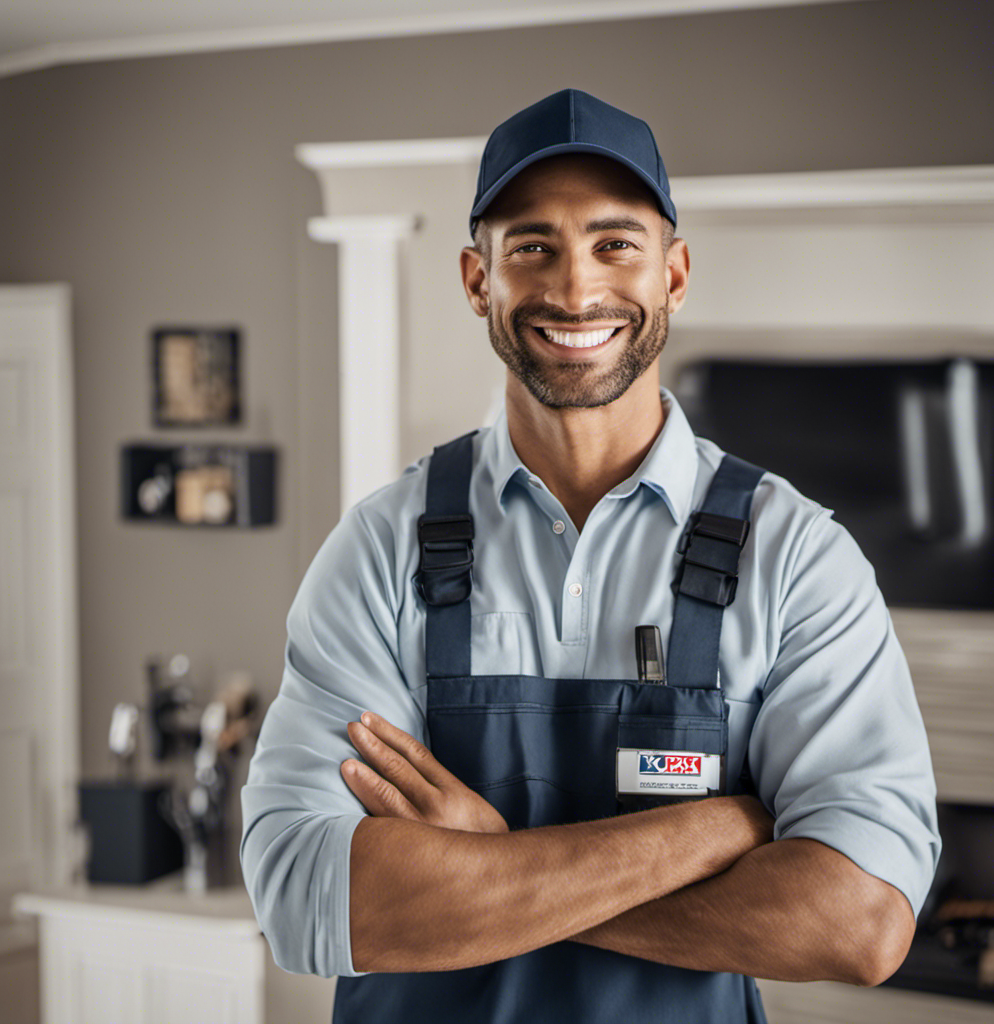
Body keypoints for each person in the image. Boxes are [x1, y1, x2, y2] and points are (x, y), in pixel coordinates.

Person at [240, 88, 941, 1024]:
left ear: (675, 274)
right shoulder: (380, 548)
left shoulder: (797, 558)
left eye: (617, 244)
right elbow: (304, 898)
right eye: (532, 247)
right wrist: (720, 828)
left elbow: (859, 923)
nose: (575, 290)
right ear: (477, 279)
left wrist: (490, 869)